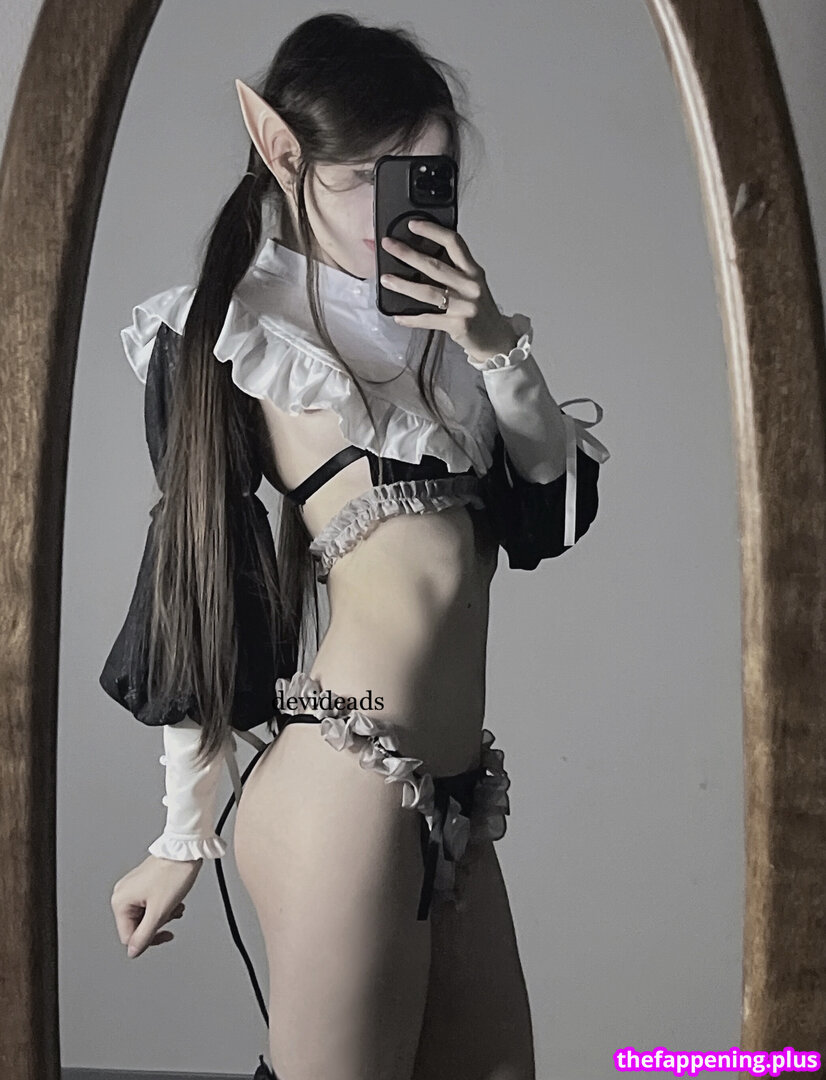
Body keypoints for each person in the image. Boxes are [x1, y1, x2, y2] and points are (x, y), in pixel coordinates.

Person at [102, 13, 610, 1080]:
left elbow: (552, 517)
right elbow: (198, 582)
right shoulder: (236, 329)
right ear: (283, 154)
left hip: (454, 793)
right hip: (345, 784)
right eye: (367, 178)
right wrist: (182, 834)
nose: (397, 209)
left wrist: (496, 344)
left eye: (423, 178)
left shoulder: (453, 340)